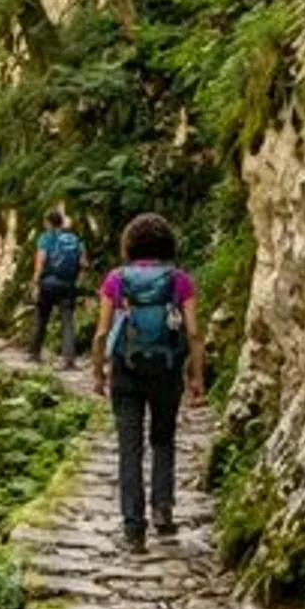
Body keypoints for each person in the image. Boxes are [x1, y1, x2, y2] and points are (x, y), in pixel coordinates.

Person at [90, 212, 205, 552]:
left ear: (130, 244)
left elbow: (101, 333)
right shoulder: (180, 280)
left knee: (129, 447)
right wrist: (197, 377)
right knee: (163, 439)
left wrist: (99, 373)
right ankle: (163, 512)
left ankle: (133, 528)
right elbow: (195, 333)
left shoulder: (116, 279)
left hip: (126, 371)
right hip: (168, 371)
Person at [30, 206, 86, 368]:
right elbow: (83, 263)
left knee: (41, 317)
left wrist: (35, 282)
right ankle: (68, 359)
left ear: (48, 223)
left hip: (48, 284)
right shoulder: (74, 239)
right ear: (61, 222)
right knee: (67, 321)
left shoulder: (45, 238)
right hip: (67, 285)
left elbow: (40, 262)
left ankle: (35, 353)